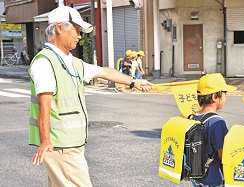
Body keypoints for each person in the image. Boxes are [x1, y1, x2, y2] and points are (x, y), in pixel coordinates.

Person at [28, 6, 152, 187]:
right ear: (59, 28)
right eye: (77, 30)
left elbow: (104, 71)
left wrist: (134, 82)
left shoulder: (71, 62)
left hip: (70, 143)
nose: (79, 36)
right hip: (61, 145)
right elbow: (43, 103)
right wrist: (45, 140)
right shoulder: (45, 62)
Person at [189, 73, 237, 187]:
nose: (226, 98)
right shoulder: (217, 122)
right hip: (213, 180)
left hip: (197, 178)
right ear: (215, 96)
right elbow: (223, 155)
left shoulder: (193, 117)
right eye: (225, 95)